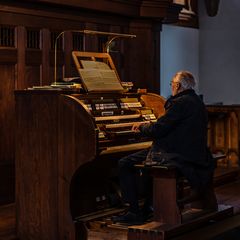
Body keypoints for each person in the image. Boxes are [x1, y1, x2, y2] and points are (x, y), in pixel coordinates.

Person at [113, 70, 216, 225]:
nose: (171, 87)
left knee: (124, 163)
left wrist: (142, 127)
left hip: (175, 154)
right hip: (191, 152)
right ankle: (148, 207)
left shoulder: (179, 103)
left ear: (178, 85)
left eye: (172, 84)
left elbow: (158, 130)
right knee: (144, 163)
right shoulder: (196, 101)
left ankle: (134, 212)